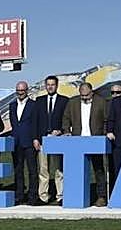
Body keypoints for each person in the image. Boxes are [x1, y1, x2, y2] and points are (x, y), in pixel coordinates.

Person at [63, 81, 110, 206]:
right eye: (82, 95)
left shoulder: (101, 102)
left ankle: (101, 196)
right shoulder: (72, 102)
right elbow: (66, 118)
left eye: (86, 95)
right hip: (77, 141)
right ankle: (76, 195)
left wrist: (104, 133)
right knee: (76, 170)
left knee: (98, 169)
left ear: (92, 92)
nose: (84, 97)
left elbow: (107, 119)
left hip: (95, 140)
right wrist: (67, 131)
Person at [35, 75, 67, 205]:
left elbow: (66, 119)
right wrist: (35, 139)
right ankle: (43, 196)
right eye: (48, 84)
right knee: (43, 169)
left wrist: (60, 131)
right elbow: (35, 121)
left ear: (57, 85)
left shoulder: (64, 100)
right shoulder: (39, 101)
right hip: (42, 139)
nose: (50, 87)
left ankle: (61, 196)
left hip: (57, 139)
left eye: (52, 84)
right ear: (45, 86)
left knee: (59, 169)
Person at [8, 81, 38, 205]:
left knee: (32, 171)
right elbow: (13, 123)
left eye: (22, 90)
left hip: (30, 142)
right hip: (16, 142)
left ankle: (32, 196)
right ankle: (19, 195)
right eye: (18, 90)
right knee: (18, 170)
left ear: (27, 91)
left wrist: (35, 138)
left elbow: (36, 123)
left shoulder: (34, 105)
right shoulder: (12, 105)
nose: (20, 93)